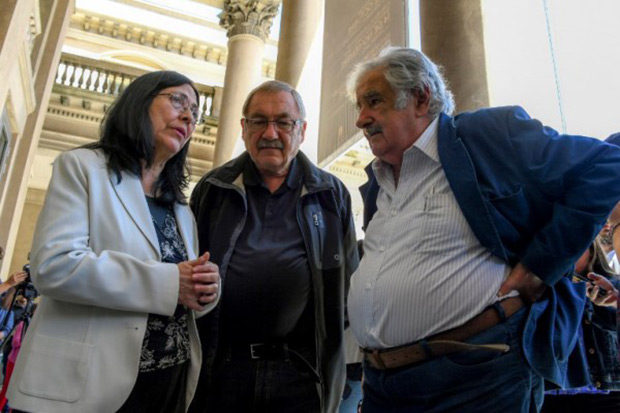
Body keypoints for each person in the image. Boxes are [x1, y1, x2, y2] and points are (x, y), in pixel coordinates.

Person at [345, 47, 620, 412]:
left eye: (374, 101)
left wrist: (542, 264)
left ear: (421, 97)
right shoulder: (378, 182)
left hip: (476, 379)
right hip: (385, 386)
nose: (361, 119)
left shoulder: (484, 135)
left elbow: (609, 163)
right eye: (359, 106)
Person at [6, 70, 221, 412]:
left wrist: (204, 289)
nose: (188, 116)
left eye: (195, 112)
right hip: (86, 385)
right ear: (139, 102)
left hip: (164, 385)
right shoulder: (81, 168)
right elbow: (55, 266)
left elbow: (182, 285)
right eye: (177, 100)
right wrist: (170, 282)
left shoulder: (180, 207)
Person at [189, 80, 359, 413]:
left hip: (299, 376)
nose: (270, 132)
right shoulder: (213, 189)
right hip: (223, 371)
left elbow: (347, 283)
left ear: (302, 131)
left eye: (283, 122)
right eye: (258, 121)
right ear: (243, 128)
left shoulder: (330, 194)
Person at [541, 239, 620, 412]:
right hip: (552, 392)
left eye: (576, 248)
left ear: (591, 251)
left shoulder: (611, 285)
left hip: (606, 390)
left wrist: (611, 301)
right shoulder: (539, 289)